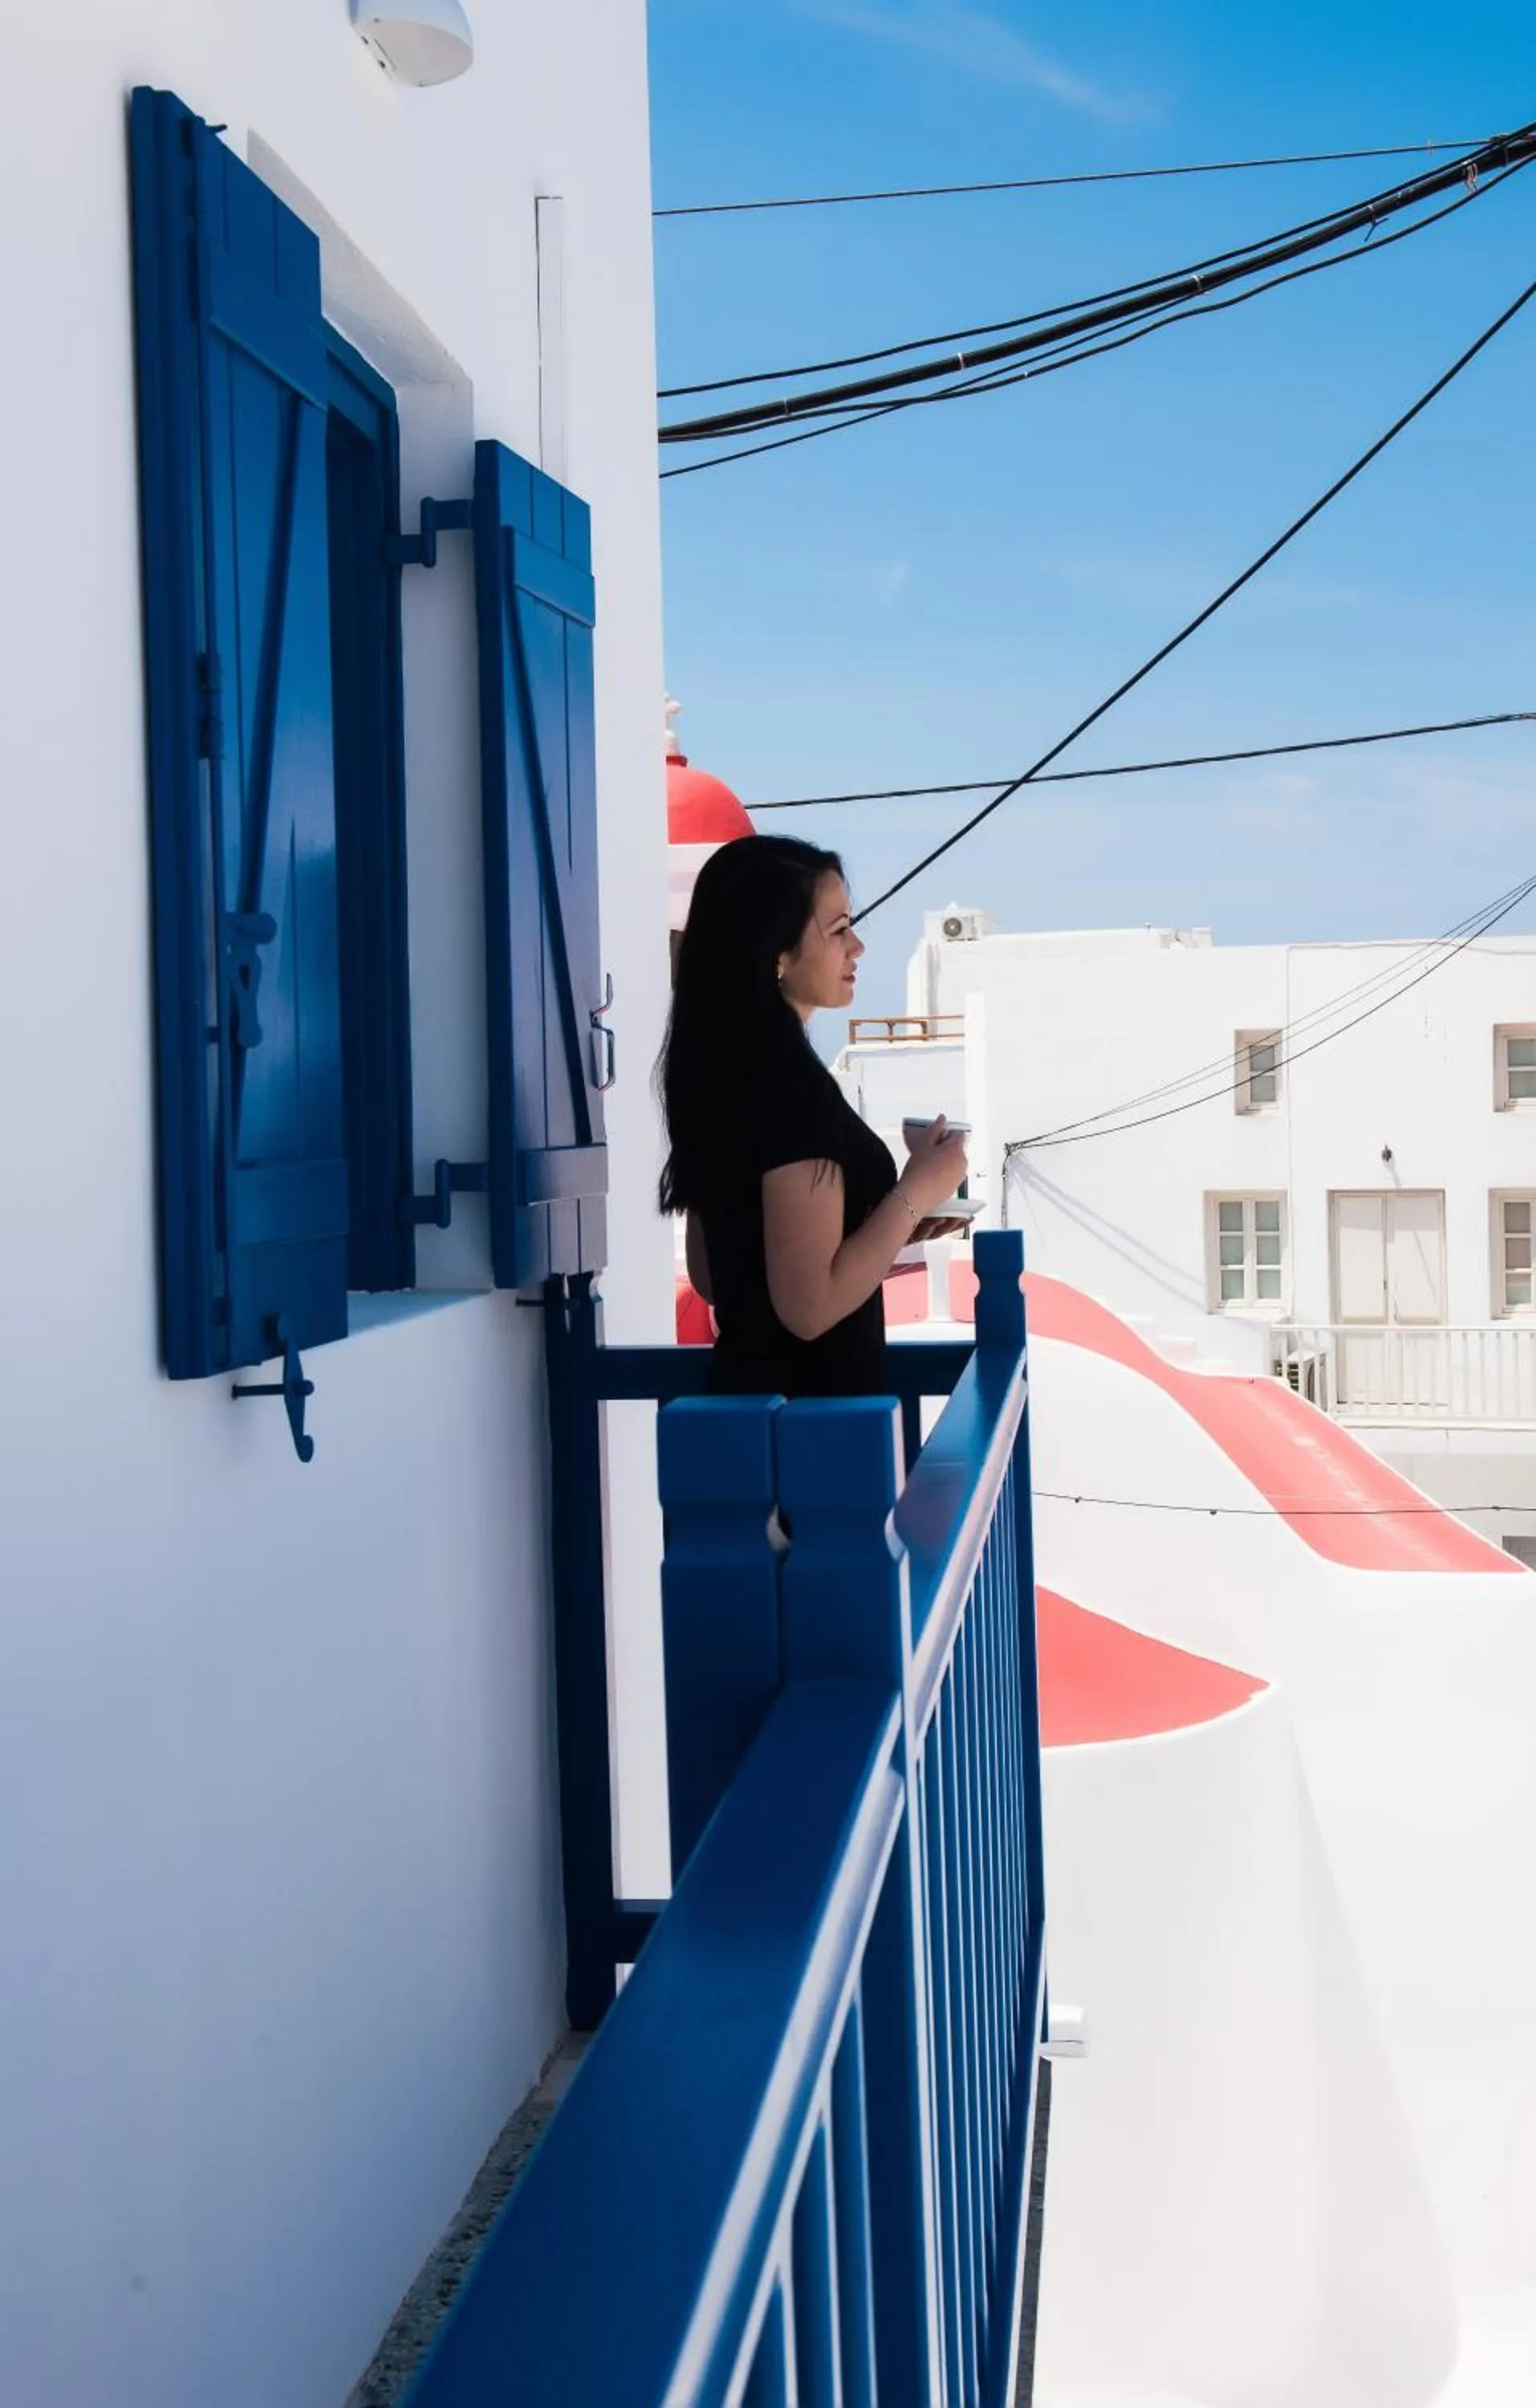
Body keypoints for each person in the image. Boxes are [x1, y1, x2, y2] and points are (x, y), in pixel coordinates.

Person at [658, 833, 969, 1398]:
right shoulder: (790, 1092)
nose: (858, 948)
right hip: (816, 1437)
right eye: (838, 930)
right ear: (777, 953)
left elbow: (719, 1275)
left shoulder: (725, 1077)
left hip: (751, 1419)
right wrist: (917, 1190)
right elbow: (810, 1309)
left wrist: (890, 1226)